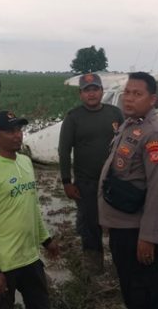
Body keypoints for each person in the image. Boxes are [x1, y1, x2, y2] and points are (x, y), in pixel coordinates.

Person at [98, 71, 158, 309]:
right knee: (131, 289)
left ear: (152, 100)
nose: (129, 98)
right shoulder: (130, 124)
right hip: (124, 226)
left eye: (137, 94)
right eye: (127, 92)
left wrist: (149, 238)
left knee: (142, 293)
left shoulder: (155, 135)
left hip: (139, 231)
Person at [0, 110, 60, 309]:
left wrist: (46, 240)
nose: (18, 135)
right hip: (3, 265)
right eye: (10, 131)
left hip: (30, 259)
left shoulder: (25, 162)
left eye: (19, 129)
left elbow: (32, 206)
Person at [58, 73, 123, 274]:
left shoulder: (115, 113)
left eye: (95, 89)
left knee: (118, 223)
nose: (91, 94)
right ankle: (94, 268)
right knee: (90, 225)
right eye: (87, 90)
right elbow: (64, 150)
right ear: (81, 94)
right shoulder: (73, 117)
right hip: (86, 183)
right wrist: (67, 182)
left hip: (114, 181)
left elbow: (126, 144)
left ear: (102, 91)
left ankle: (121, 264)